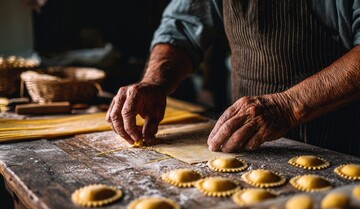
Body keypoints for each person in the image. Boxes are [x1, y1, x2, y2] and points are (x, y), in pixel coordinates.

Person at [106, 0, 360, 157]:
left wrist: (287, 106)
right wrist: (155, 81)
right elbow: (182, 25)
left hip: (342, 144)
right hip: (249, 146)